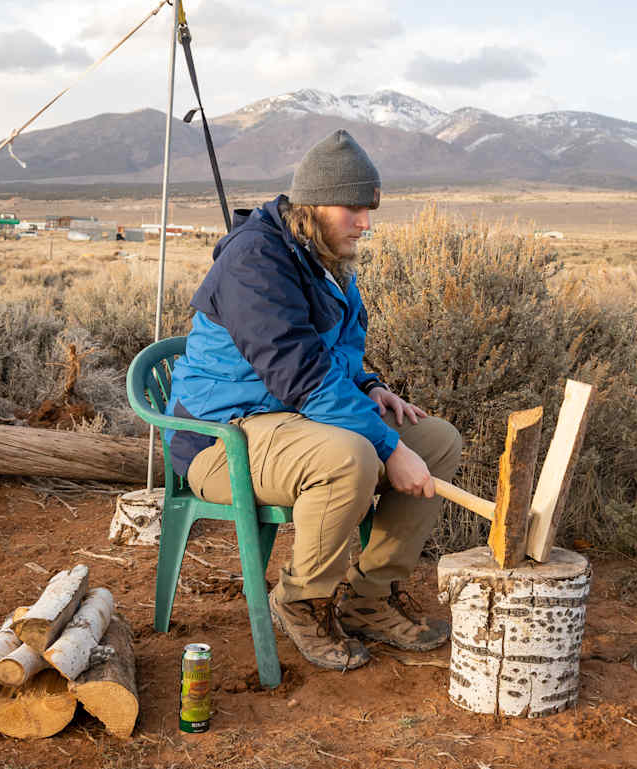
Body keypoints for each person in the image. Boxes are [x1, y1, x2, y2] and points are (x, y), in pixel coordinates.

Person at [165, 129, 462, 671]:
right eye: (354, 208)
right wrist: (388, 447)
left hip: (294, 419)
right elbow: (300, 375)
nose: (365, 223)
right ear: (316, 203)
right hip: (223, 435)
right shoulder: (255, 262)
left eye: (369, 209)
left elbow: (338, 350)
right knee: (350, 457)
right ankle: (302, 600)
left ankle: (371, 597)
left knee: (437, 441)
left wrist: (370, 385)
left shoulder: (322, 257)